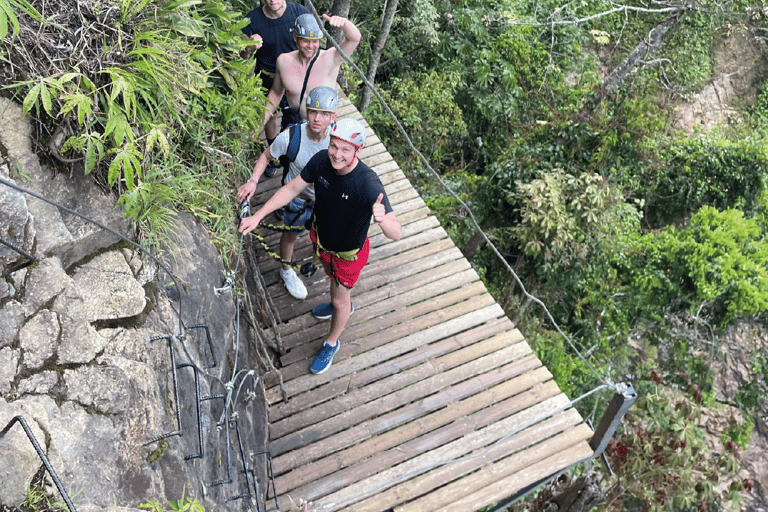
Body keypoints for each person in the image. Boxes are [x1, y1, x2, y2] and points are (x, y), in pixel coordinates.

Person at [239, 118, 402, 375]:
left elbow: (397, 232)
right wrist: (258, 216)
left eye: (345, 149)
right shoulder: (321, 162)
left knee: (339, 299)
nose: (337, 154)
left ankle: (331, 342)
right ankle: (341, 306)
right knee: (334, 287)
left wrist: (382, 220)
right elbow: (292, 188)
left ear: (357, 151)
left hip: (347, 255)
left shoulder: (368, 183)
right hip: (322, 242)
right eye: (334, 146)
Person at [237, 86, 340, 300]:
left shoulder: (339, 141)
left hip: (325, 199)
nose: (317, 119)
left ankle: (317, 261)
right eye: (313, 112)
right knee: (291, 235)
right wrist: (253, 181)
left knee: (325, 238)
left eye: (324, 114)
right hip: (297, 197)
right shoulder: (292, 136)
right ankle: (286, 270)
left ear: (333, 117)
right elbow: (267, 155)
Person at [241, 0, 309, 175]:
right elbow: (241, 56)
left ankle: (302, 157)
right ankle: (273, 154)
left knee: (301, 113)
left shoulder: (298, 12)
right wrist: (248, 47)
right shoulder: (252, 20)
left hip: (296, 76)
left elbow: (311, 42)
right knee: (271, 116)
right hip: (268, 76)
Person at [263, 13, 361, 130]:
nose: (310, 46)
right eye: (305, 41)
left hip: (323, 130)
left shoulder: (330, 58)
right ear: (295, 38)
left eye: (315, 41)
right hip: (297, 126)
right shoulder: (284, 61)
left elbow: (354, 39)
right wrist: (261, 122)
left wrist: (344, 22)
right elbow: (276, 93)